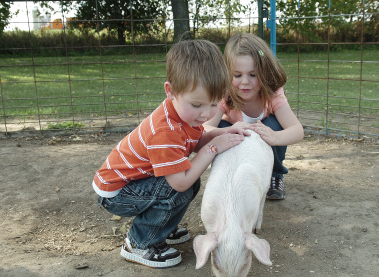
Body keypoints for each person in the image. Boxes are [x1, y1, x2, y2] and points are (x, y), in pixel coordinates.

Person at [92, 39, 249, 269]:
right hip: (118, 193)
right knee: (179, 187)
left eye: (214, 104)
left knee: (189, 181)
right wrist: (212, 149)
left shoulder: (186, 115)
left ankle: (161, 225)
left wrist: (221, 134)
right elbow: (180, 183)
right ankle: (138, 243)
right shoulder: (165, 130)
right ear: (170, 91)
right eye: (197, 104)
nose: (206, 114)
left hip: (138, 182)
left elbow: (194, 142)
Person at [203, 33, 304, 200]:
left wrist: (275, 136)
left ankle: (274, 176)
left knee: (274, 124)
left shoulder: (272, 93)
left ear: (264, 72)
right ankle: (226, 175)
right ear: (228, 73)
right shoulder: (225, 93)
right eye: (237, 75)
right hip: (237, 139)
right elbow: (204, 128)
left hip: (264, 139)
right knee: (219, 127)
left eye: (253, 74)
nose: (245, 82)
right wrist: (229, 129)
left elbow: (297, 130)